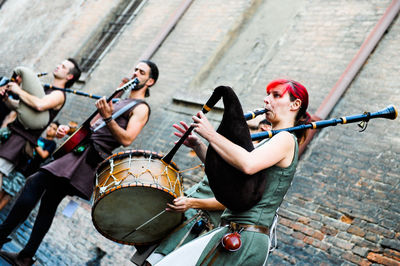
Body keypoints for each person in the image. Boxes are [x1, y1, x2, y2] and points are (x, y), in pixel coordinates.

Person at [0, 60, 159, 265]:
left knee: (35, 182)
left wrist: (109, 118)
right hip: (78, 152)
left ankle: (3, 236)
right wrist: (69, 132)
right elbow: (92, 129)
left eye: (142, 71)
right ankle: (26, 256)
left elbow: (127, 139)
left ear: (150, 81)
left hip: (87, 160)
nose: (136, 72)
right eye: (135, 68)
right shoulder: (118, 100)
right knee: (49, 203)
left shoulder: (141, 107)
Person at [155, 79, 311, 265]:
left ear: (295, 104)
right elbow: (231, 174)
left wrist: (212, 134)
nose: (266, 100)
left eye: (276, 95)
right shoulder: (271, 140)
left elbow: (248, 164)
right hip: (232, 230)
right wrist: (198, 145)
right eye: (268, 94)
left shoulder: (285, 138)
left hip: (245, 237)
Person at [0, 58, 81, 191]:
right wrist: (6, 99)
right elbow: (21, 107)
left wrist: (19, 91)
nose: (58, 65)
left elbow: (39, 105)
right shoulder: (47, 89)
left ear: (69, 76)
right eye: (60, 63)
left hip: (23, 138)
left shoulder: (59, 94)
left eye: (63, 66)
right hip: (14, 131)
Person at [138, 175, 225, 265]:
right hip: (181, 212)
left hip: (197, 223)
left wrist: (191, 203)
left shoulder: (240, 165)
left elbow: (234, 201)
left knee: (161, 262)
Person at [0, 121, 59, 211]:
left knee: (9, 193)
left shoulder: (52, 144)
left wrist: (34, 142)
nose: (50, 129)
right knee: (3, 187)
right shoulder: (39, 138)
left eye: (54, 129)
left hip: (26, 172)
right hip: (18, 165)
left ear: (56, 133)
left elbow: (44, 155)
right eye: (50, 126)